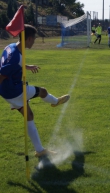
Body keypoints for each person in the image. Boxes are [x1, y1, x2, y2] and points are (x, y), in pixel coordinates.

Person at [0, 24, 70, 158]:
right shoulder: (15, 55)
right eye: (34, 39)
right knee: (42, 91)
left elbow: (11, 65)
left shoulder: (11, 47)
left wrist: (27, 66)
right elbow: (2, 74)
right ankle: (55, 102)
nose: (35, 41)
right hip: (14, 90)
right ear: (28, 39)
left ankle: (40, 150)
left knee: (29, 116)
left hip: (6, 90)